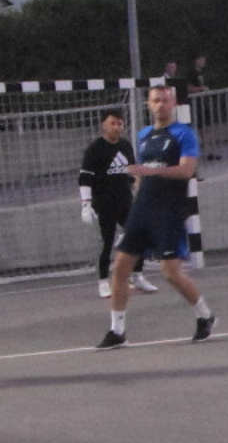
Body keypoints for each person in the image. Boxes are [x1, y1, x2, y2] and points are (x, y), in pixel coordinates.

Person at [96, 85, 214, 349]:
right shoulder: (144, 135)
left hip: (169, 210)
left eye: (165, 100)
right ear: (149, 105)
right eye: (156, 100)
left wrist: (150, 171)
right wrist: (138, 187)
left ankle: (205, 315)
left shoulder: (184, 134)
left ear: (173, 104)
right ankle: (117, 331)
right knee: (121, 267)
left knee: (170, 273)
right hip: (143, 209)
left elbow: (186, 171)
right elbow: (141, 173)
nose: (160, 104)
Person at [78, 111, 158, 298]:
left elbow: (133, 173)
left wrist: (140, 190)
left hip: (125, 201)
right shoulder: (95, 149)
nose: (117, 127)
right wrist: (85, 204)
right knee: (106, 241)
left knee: (138, 235)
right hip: (104, 203)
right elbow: (85, 177)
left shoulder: (125, 146)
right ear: (103, 125)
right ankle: (103, 281)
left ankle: (137, 276)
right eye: (113, 123)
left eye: (120, 124)